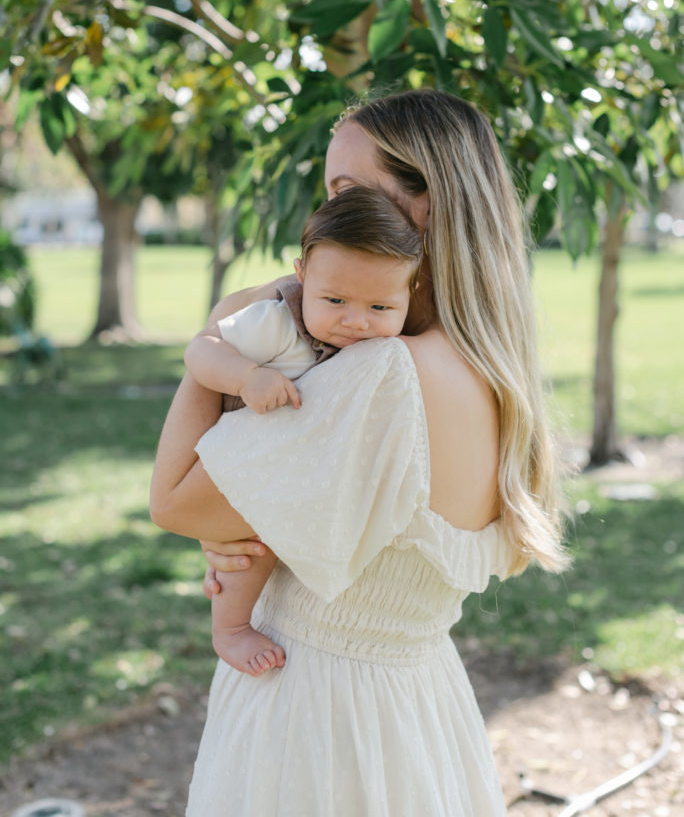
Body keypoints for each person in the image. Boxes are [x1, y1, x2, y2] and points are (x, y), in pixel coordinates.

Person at [150, 88, 568, 816]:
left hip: (318, 720)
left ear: (427, 203)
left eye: (346, 192)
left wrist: (213, 347)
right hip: (418, 708)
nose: (326, 217)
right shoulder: (487, 369)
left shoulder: (380, 375)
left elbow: (177, 502)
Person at [183, 185, 422, 676]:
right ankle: (229, 629)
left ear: (409, 295)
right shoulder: (277, 322)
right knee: (251, 548)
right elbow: (200, 350)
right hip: (249, 460)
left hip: (298, 464)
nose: (355, 321)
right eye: (334, 299)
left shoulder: (388, 350)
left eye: (380, 308)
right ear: (301, 275)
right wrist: (246, 377)